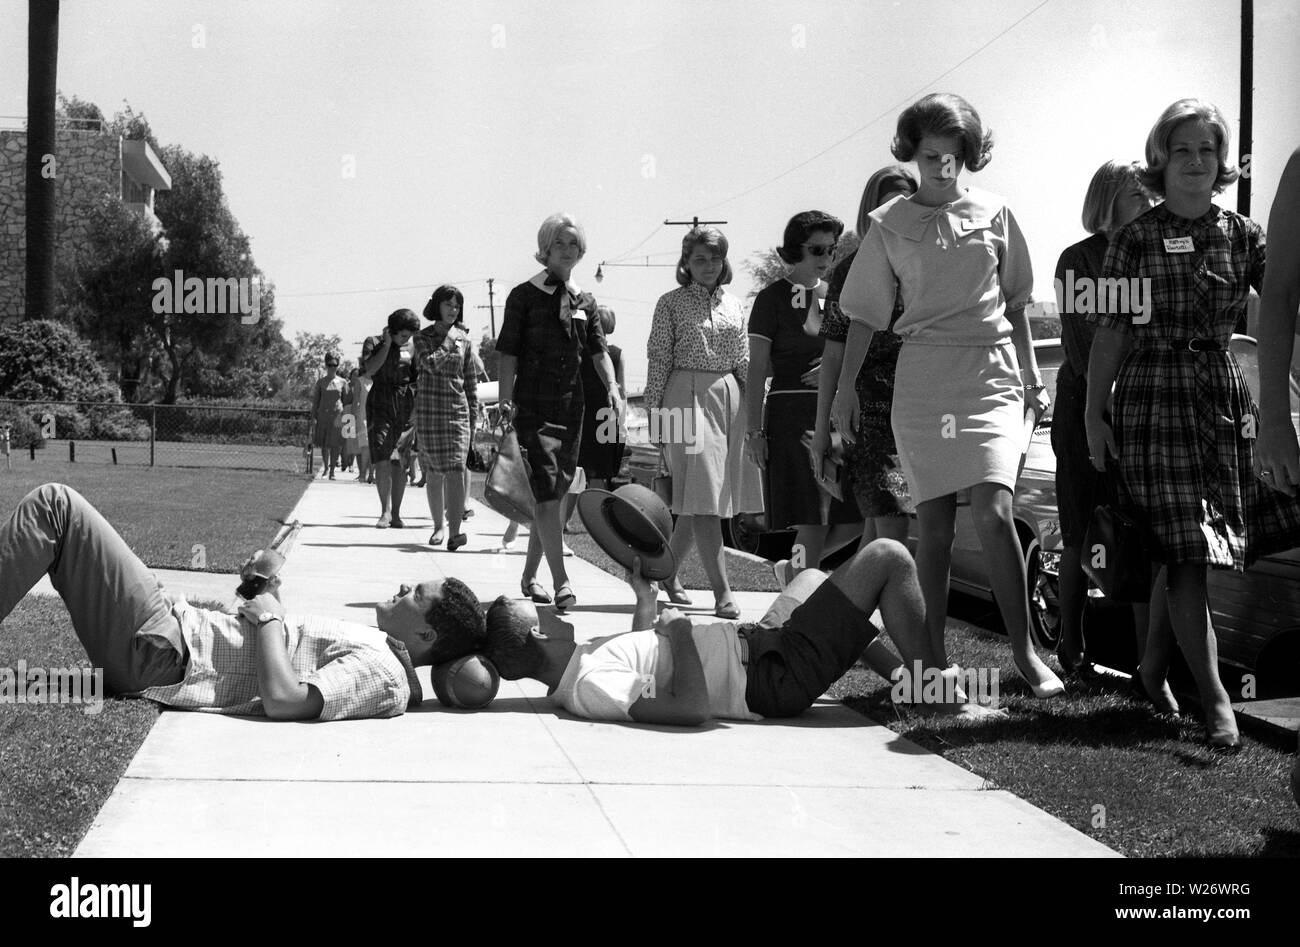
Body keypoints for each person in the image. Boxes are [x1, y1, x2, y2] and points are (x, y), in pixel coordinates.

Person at [832, 93, 1064, 699]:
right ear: (912, 154)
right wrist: (844, 395)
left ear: (968, 155)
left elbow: (1016, 309)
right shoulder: (888, 226)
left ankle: (1026, 654)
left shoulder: (997, 213)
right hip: (923, 378)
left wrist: (1034, 381)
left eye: (953, 155)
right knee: (931, 527)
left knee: (992, 511)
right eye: (931, 155)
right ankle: (931, 663)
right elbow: (862, 318)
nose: (942, 166)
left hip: (990, 374)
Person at [1086, 103, 1300, 750]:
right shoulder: (1132, 240)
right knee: (1185, 557)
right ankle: (1215, 702)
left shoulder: (1245, 236)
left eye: (1208, 149)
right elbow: (1109, 334)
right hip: (1153, 399)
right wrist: (1096, 413)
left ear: (1222, 160)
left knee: (1201, 547)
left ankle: (1152, 666)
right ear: (1161, 158)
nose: (1197, 160)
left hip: (1221, 400)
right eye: (1182, 149)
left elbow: (1286, 305)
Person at [0, 484, 486, 720]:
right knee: (60, 524)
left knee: (56, 506)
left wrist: (272, 616)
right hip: (171, 636)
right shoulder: (383, 649)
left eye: (417, 595)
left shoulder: (384, 674)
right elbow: (275, 652)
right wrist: (262, 590)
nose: (403, 588)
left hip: (164, 651)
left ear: (426, 635)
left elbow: (285, 701)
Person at [480, 541, 1001, 726]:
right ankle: (937, 695)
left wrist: (646, 603)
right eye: (541, 613)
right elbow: (690, 709)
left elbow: (645, 660)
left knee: (813, 579)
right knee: (888, 557)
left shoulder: (582, 666)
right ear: (537, 639)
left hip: (757, 645)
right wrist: (681, 632)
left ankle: (909, 684)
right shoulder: (589, 688)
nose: (553, 611)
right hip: (771, 677)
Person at [1050, 160, 1167, 693]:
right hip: (1085, 410)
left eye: (1148, 191)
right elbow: (1081, 348)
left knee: (1142, 538)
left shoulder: (1156, 249)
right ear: (1107, 198)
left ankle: (1151, 669)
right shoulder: (1079, 260)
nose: (1146, 198)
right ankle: (1071, 650)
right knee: (1080, 530)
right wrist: (1105, 412)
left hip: (1148, 407)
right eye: (1134, 191)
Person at [495, 213, 624, 610]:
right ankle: (562, 582)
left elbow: (598, 351)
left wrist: (614, 389)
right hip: (532, 405)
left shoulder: (585, 299)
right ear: (545, 249)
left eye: (573, 244)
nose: (567, 251)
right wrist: (504, 400)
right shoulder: (523, 296)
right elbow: (507, 353)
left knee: (556, 491)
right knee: (549, 493)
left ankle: (529, 575)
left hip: (573, 407)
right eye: (559, 244)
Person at [645, 226, 764, 619]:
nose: (708, 265)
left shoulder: (735, 305)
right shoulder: (670, 303)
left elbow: (745, 358)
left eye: (714, 258)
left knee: (699, 500)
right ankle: (723, 592)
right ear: (686, 264)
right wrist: (656, 415)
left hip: (730, 399)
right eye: (699, 259)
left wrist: (758, 408)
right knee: (707, 497)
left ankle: (664, 572)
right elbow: (659, 359)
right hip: (684, 398)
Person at [746, 211, 863, 581]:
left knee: (857, 517)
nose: (827, 257)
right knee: (811, 517)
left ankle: (795, 571)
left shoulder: (840, 296)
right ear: (795, 250)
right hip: (790, 414)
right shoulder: (771, 299)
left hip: (836, 416)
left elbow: (850, 354)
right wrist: (753, 433)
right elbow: (755, 370)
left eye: (832, 249)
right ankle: (797, 594)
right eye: (817, 249)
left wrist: (837, 374)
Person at [811, 167, 919, 565]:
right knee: (892, 531)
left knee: (876, 539)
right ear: (870, 208)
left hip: (923, 410)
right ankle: (900, 624)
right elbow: (833, 358)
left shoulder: (929, 264)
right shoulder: (848, 270)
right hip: (870, 415)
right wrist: (823, 431)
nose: (897, 208)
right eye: (887, 199)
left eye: (906, 198)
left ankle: (833, 614)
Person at [413, 284, 479, 551]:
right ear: (437, 306)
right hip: (429, 412)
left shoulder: (466, 340)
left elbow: (471, 381)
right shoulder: (422, 337)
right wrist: (452, 338)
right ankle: (437, 526)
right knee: (434, 473)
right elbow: (429, 363)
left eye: (457, 306)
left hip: (457, 412)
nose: (453, 310)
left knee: (454, 469)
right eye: (448, 304)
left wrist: (473, 418)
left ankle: (454, 532)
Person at [564, 305, 626, 531]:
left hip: (581, 413)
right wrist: (623, 422)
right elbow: (622, 390)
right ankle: (599, 523)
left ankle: (566, 520)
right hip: (607, 416)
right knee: (599, 472)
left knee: (576, 470)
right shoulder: (617, 354)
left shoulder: (579, 352)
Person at [361, 309, 421, 528]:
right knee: (382, 457)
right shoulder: (373, 343)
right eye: (403, 335)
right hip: (380, 402)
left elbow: (417, 377)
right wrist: (387, 345)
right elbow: (369, 370)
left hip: (405, 403)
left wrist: (416, 409)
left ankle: (396, 513)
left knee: (400, 461)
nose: (407, 339)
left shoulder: (413, 347)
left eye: (410, 336)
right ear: (392, 331)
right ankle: (384, 512)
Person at [309, 352, 348, 480]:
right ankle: (326, 468)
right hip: (323, 415)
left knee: (336, 444)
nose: (333, 367)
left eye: (335, 365)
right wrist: (313, 417)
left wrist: (348, 418)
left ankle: (332, 471)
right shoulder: (320, 382)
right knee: (325, 444)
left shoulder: (342, 382)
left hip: (337, 415)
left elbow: (347, 401)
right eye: (330, 364)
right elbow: (316, 402)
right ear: (326, 365)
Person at [343, 367, 372, 484]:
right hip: (362, 416)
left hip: (376, 416)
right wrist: (352, 419)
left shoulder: (379, 379)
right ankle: (363, 473)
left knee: (373, 446)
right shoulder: (360, 381)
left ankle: (371, 475)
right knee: (365, 446)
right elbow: (355, 401)